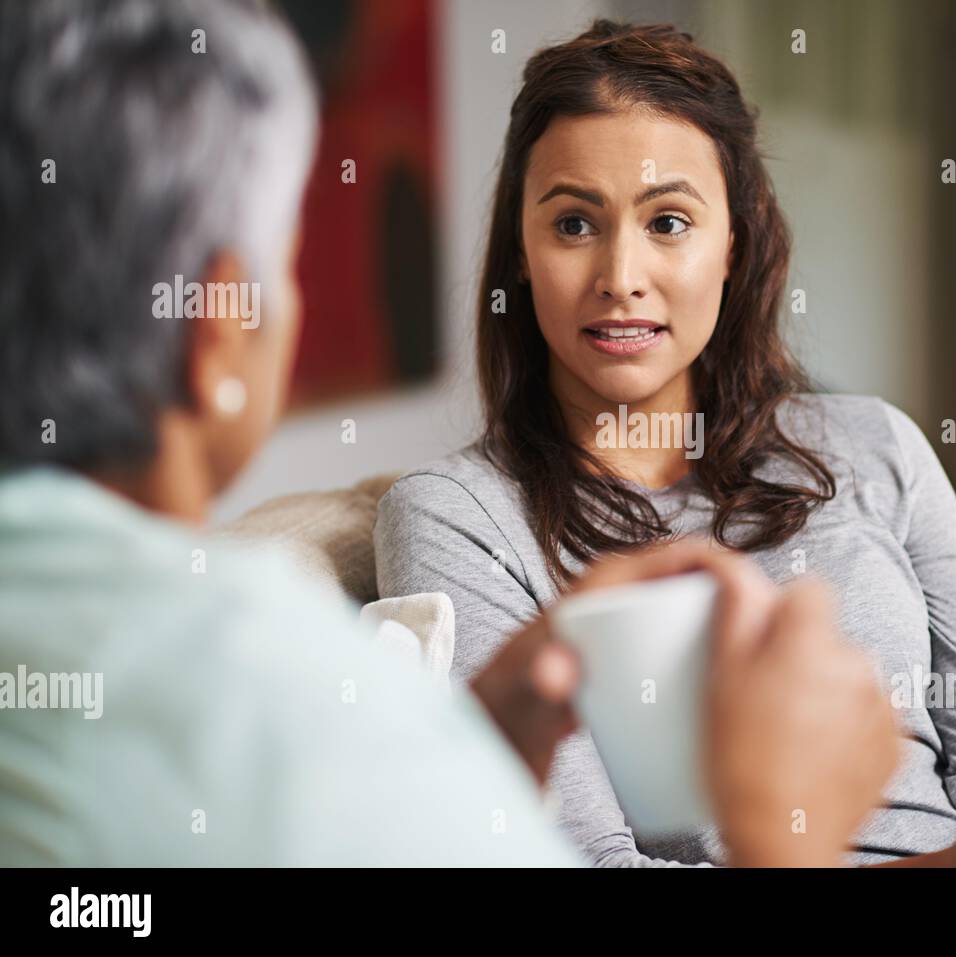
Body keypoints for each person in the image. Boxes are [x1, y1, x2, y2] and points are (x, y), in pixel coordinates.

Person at [0, 0, 900, 868]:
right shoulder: (266, 683)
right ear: (217, 329)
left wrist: (480, 755)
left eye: (668, 221)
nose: (621, 276)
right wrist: (782, 838)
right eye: (287, 255)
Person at [373, 19, 956, 867]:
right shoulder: (458, 519)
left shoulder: (875, 443)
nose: (621, 275)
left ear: (732, 243)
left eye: (668, 222)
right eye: (575, 225)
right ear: (521, 247)